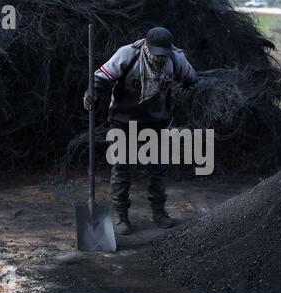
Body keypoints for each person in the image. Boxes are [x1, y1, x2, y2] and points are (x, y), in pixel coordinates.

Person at [84, 27, 198, 235]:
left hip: (156, 121)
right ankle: (122, 216)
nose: (159, 59)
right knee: (122, 168)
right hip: (123, 120)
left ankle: (159, 212)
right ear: (147, 45)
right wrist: (93, 91)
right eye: (156, 54)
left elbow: (191, 80)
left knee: (157, 170)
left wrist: (184, 94)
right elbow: (102, 77)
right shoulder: (128, 54)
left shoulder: (176, 59)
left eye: (163, 54)